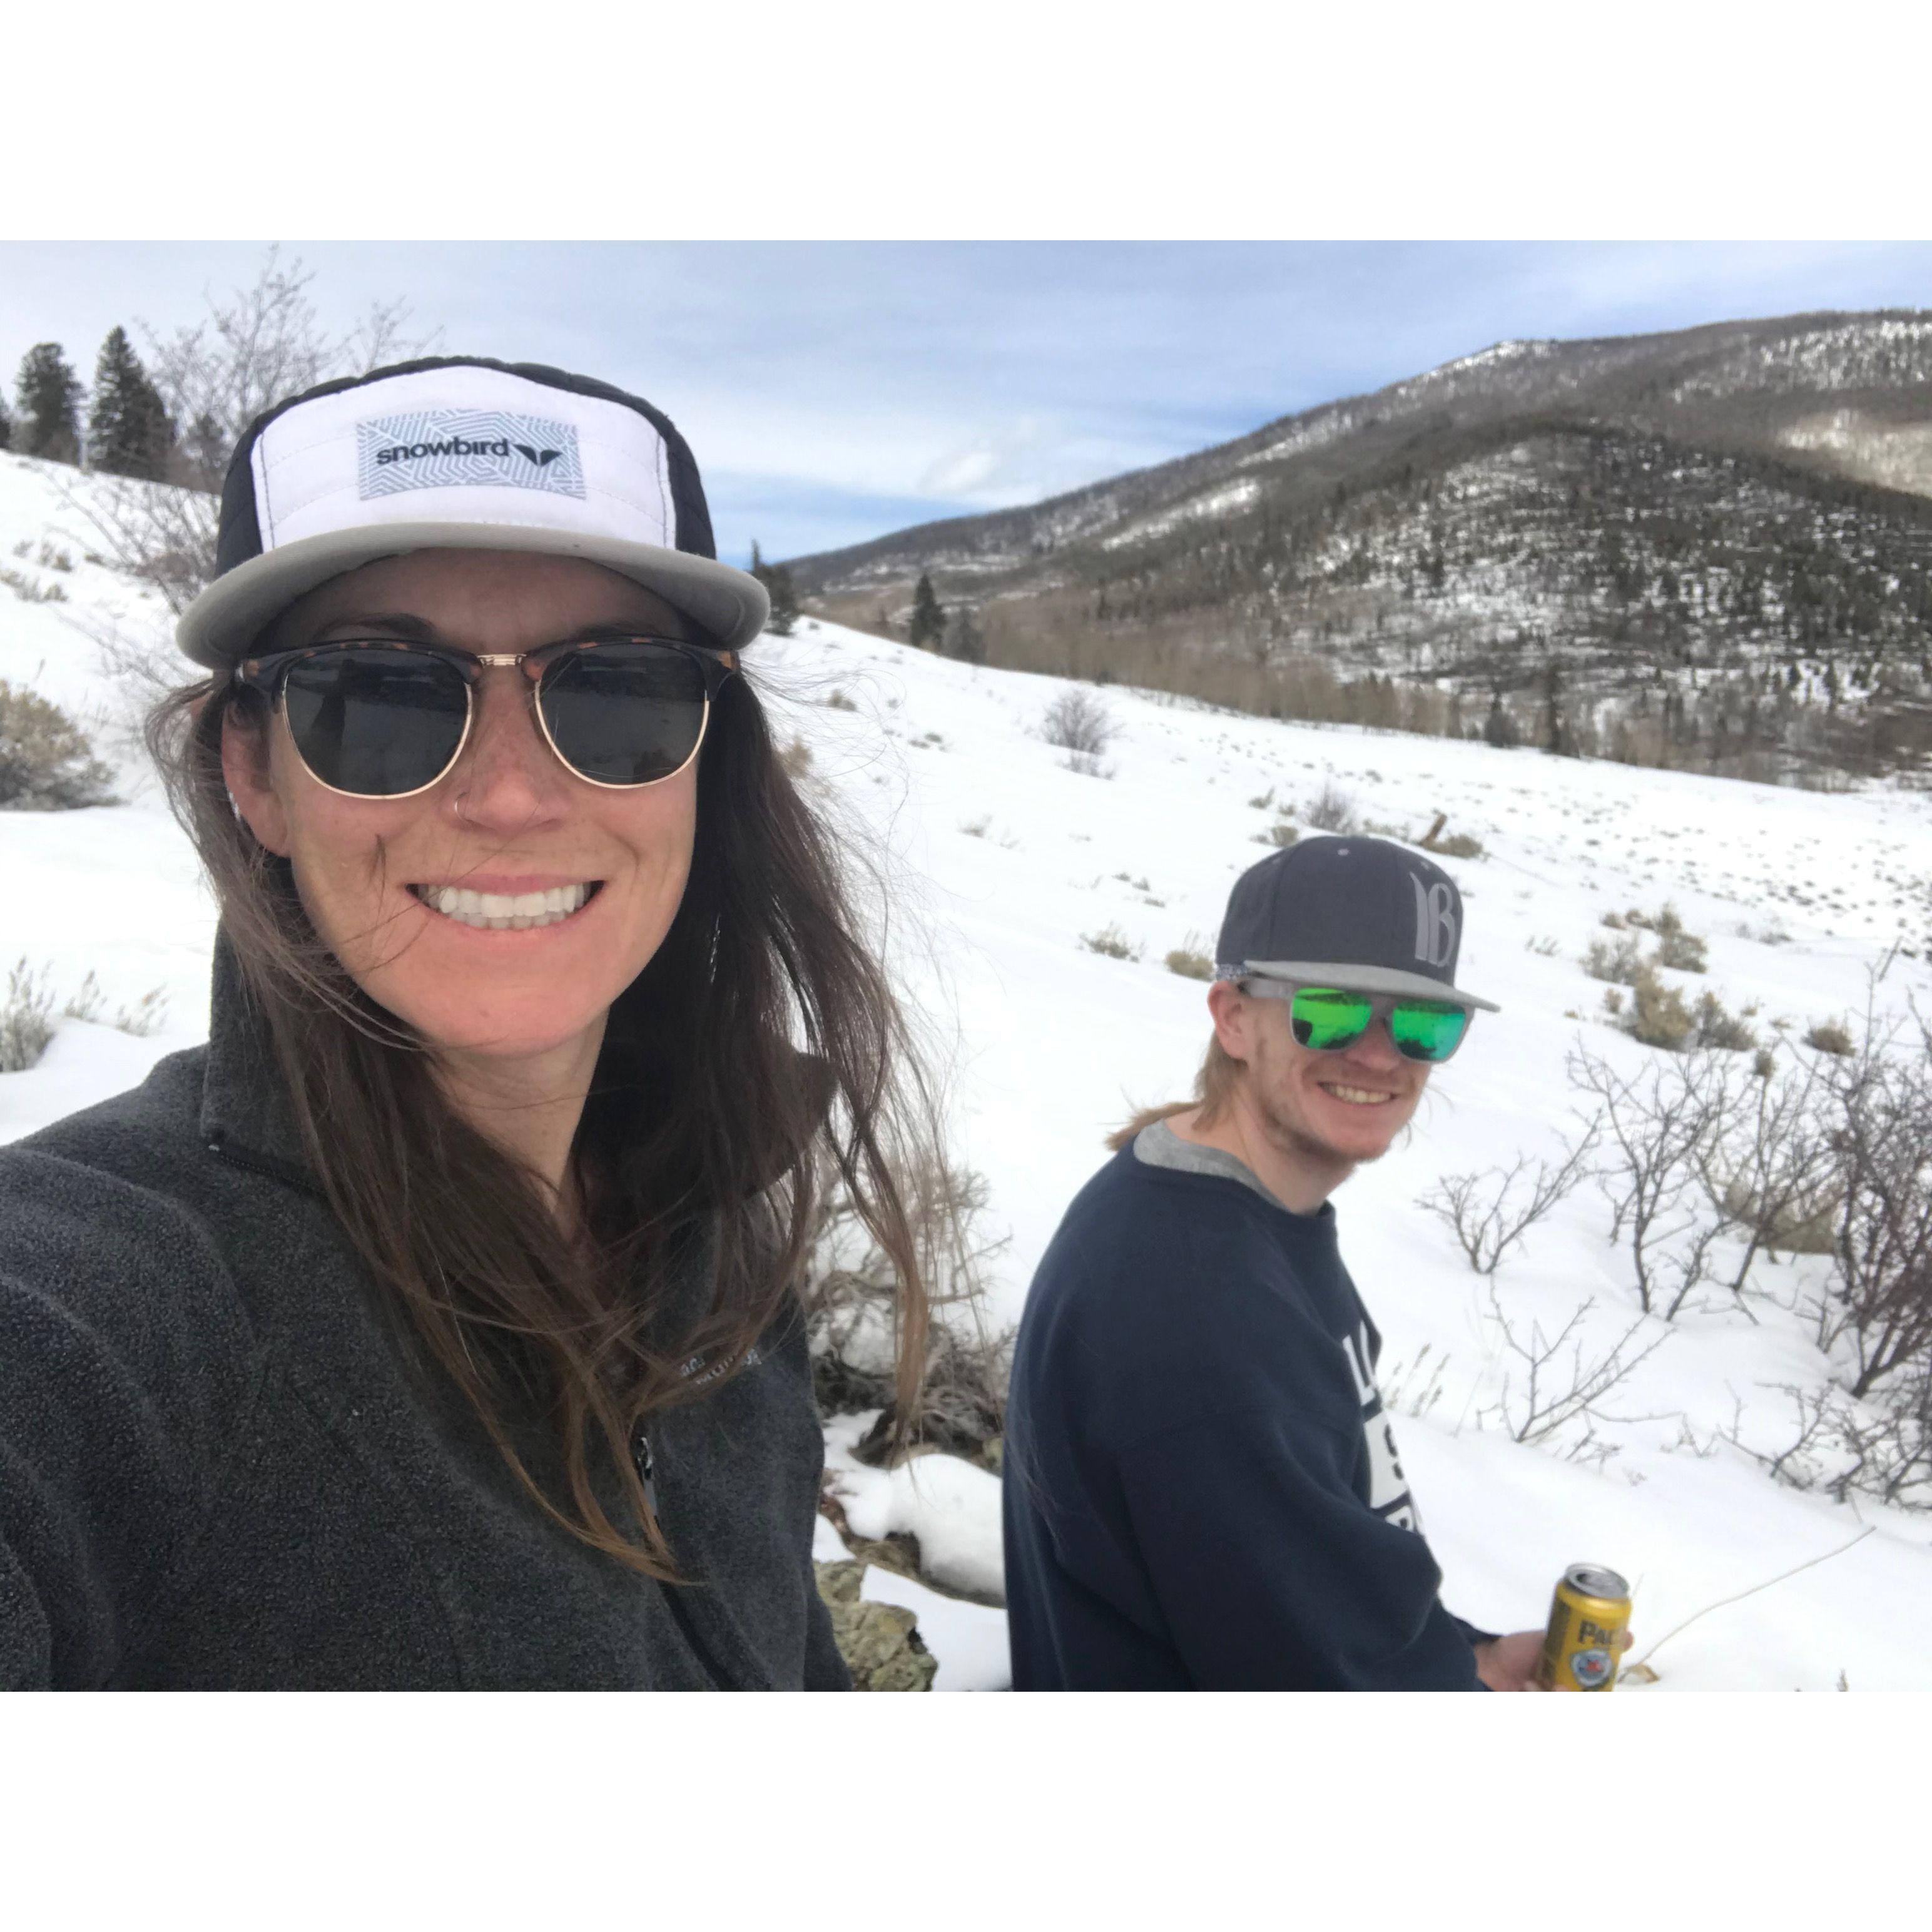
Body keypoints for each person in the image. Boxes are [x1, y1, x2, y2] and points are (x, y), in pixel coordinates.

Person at [0, 356, 933, 1689]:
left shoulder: (715, 1249)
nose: (507, 797)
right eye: (377, 697)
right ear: (254, 774)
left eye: (614, 692)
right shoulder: (122, 1306)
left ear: (706, 755)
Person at [1004, 834, 1572, 1690]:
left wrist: (1470, 1659)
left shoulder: (1223, 1210)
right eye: (1333, 1011)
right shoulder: (1200, 1310)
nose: (1380, 1056)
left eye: (1422, 1023)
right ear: (1233, 1015)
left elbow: (1306, 1582)